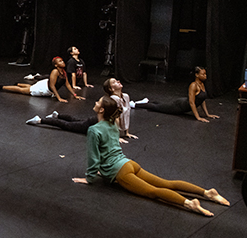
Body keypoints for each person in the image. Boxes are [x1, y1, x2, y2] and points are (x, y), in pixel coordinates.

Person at [72, 96, 230, 216]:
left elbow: (93, 157)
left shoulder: (94, 130)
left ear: (101, 110)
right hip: (128, 163)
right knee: (167, 183)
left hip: (120, 171)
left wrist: (89, 178)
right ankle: (207, 193)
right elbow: (108, 149)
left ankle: (189, 203)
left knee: (153, 192)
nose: (95, 102)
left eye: (98, 102)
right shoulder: (113, 124)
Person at [134, 67, 220, 123]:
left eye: (205, 74)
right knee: (157, 107)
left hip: (182, 103)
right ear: (197, 75)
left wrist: (207, 114)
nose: (205, 76)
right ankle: (134, 104)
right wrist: (198, 117)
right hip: (179, 106)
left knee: (161, 104)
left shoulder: (202, 85)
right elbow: (192, 103)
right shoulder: (193, 85)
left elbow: (202, 100)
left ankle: (145, 101)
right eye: (203, 74)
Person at [0, 57, 84, 103]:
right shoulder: (55, 71)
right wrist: (59, 98)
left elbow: (67, 84)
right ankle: (3, 87)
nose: (63, 62)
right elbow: (52, 86)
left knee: (31, 86)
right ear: (56, 65)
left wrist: (74, 95)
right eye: (60, 61)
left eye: (62, 60)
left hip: (46, 85)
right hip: (44, 89)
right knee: (23, 91)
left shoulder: (63, 72)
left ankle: (18, 83)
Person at [103, 78, 136, 142]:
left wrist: (126, 133)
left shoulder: (125, 96)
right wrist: (116, 137)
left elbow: (127, 114)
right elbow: (114, 118)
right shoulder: (114, 99)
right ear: (111, 89)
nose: (118, 81)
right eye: (114, 82)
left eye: (116, 80)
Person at [26, 110, 96, 134]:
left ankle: (57, 115)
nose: (96, 102)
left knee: (75, 120)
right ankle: (39, 120)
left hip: (93, 121)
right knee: (67, 124)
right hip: (91, 125)